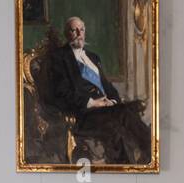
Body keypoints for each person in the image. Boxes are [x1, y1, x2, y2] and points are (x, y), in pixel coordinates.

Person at [46, 16, 152, 164]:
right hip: (84, 114)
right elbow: (61, 92)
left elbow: (109, 88)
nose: (79, 33)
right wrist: (93, 103)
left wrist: (112, 101)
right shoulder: (59, 58)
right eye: (74, 30)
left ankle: (147, 156)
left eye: (81, 30)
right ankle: (145, 156)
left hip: (106, 109)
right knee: (126, 114)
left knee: (127, 111)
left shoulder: (93, 57)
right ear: (67, 34)